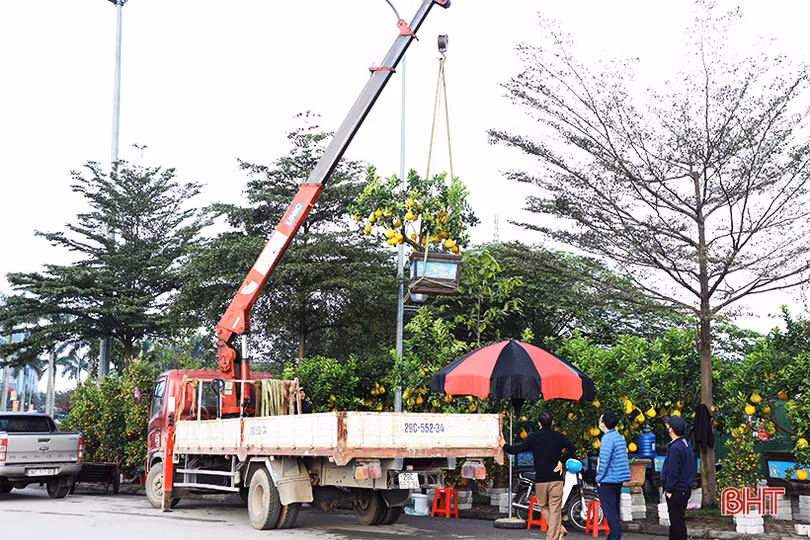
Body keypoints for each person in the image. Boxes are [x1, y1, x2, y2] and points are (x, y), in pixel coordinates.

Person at [502, 412, 576, 540]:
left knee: (542, 506)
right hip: (556, 480)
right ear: (552, 423)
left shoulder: (533, 438)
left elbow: (515, 450)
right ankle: (559, 530)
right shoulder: (559, 437)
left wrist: (503, 444)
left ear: (539, 423)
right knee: (555, 509)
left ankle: (552, 537)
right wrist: (561, 461)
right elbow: (572, 448)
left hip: (541, 480)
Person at [595, 410, 632, 540]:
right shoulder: (618, 437)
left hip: (608, 480)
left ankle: (615, 537)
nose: (599, 422)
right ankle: (612, 537)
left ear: (604, 424)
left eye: (600, 420)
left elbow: (604, 461)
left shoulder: (607, 439)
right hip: (618, 480)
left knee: (610, 513)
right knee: (614, 511)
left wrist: (598, 478)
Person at [661, 415, 695, 540]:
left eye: (669, 426)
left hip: (677, 490)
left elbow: (673, 471)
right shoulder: (685, 444)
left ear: (671, 430)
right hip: (684, 488)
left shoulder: (675, 447)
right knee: (677, 521)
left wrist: (669, 489)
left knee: (676, 522)